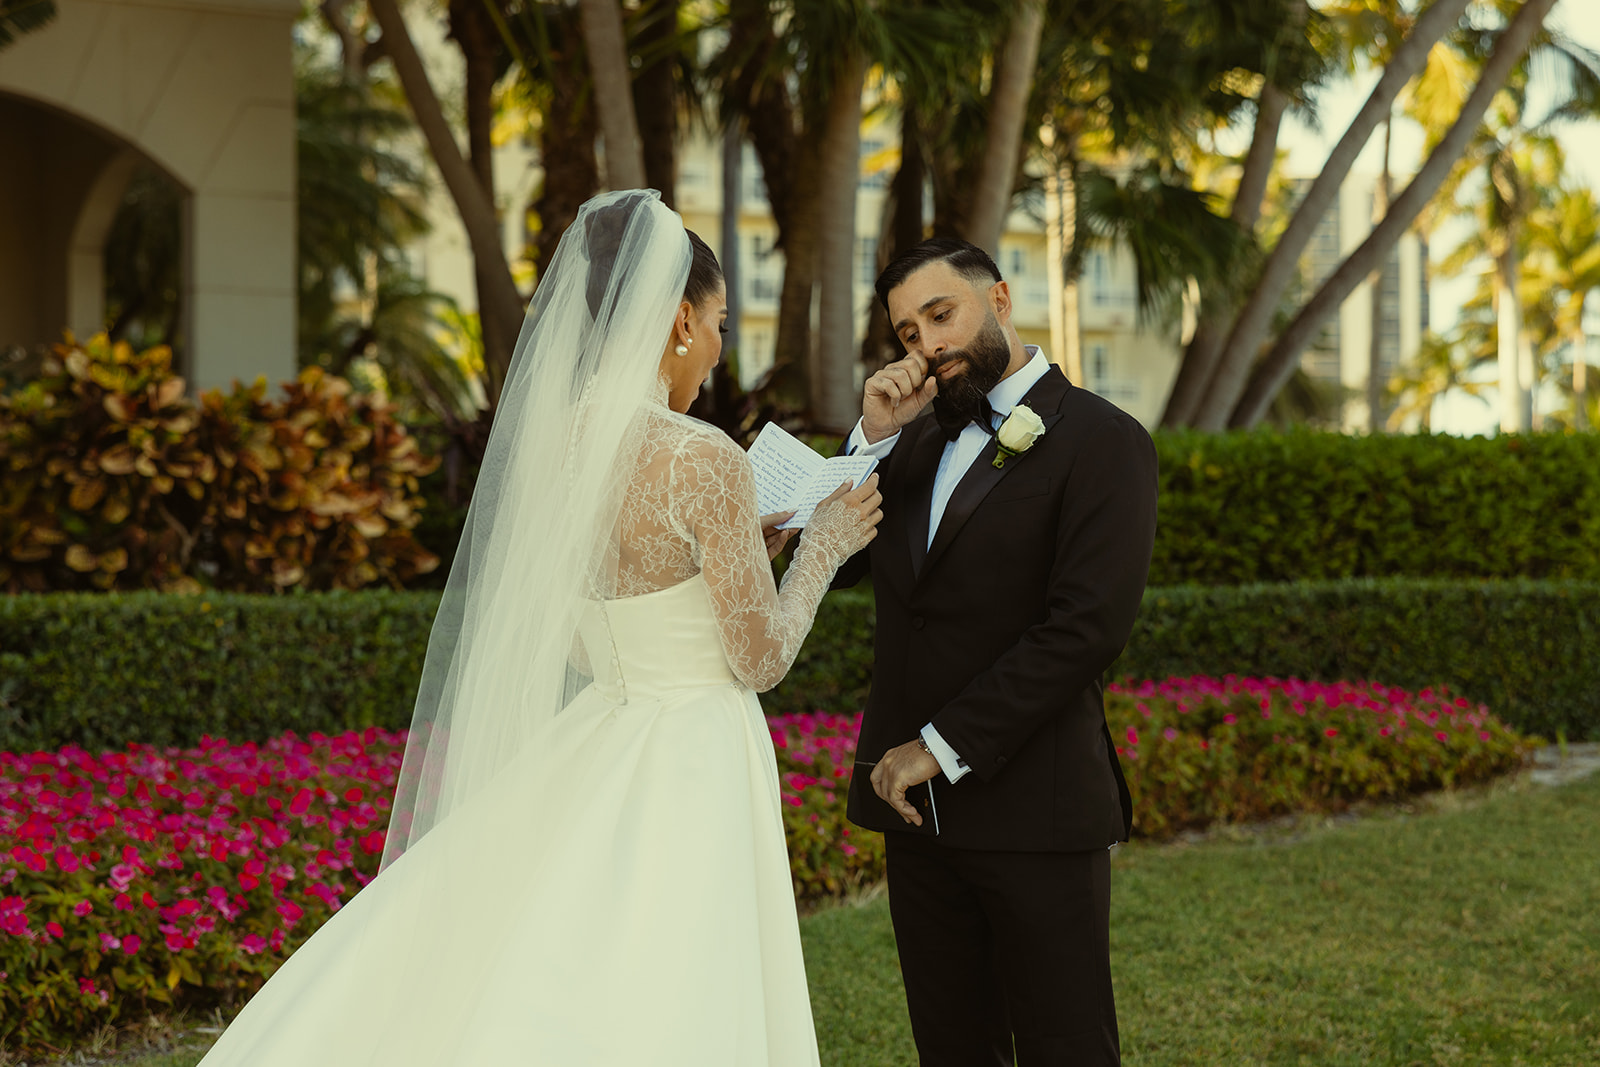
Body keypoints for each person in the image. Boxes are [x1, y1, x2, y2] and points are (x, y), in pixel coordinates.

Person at [196, 189, 881, 1066]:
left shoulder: (556, 443)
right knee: (677, 979)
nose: (717, 346)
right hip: (693, 750)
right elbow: (761, 659)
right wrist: (820, 546)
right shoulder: (703, 456)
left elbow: (569, 636)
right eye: (714, 321)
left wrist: (745, 548)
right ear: (677, 319)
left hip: (604, 727)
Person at [831, 237, 1158, 1065]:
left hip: (1036, 813)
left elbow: (1086, 628)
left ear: (1001, 299)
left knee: (1065, 1047)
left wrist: (937, 748)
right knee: (951, 1048)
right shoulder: (907, 441)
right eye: (908, 332)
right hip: (918, 823)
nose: (928, 343)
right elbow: (839, 563)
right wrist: (871, 436)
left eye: (942, 314)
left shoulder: (1104, 439)